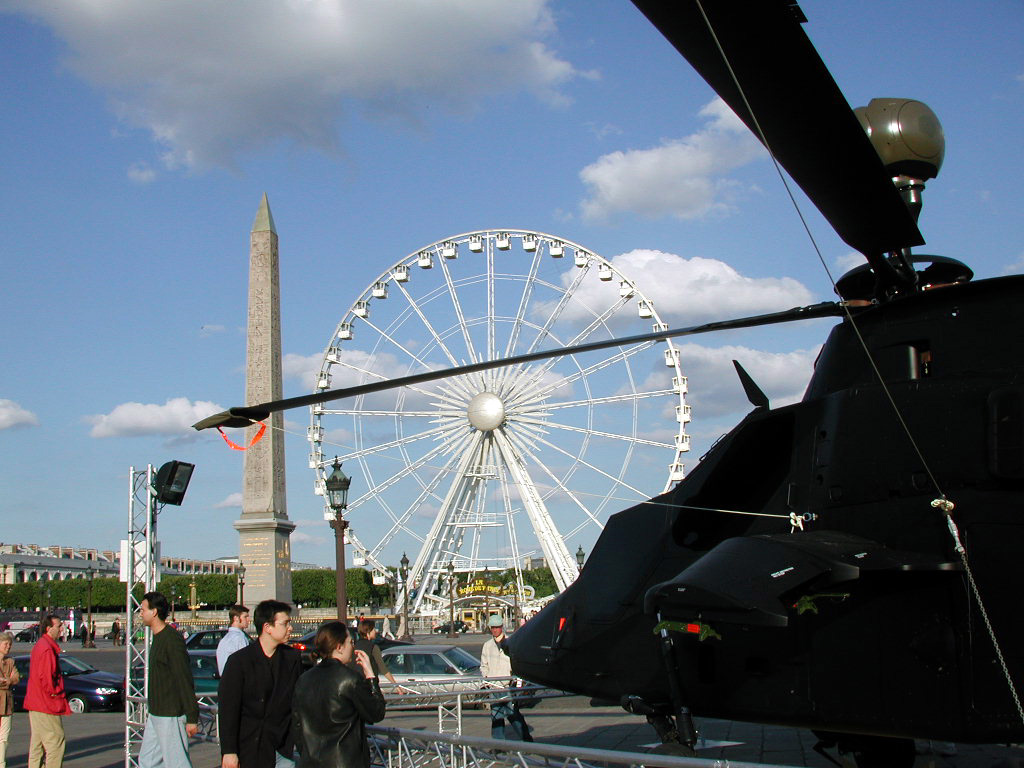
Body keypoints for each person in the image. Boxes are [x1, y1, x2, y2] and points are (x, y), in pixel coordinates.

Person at [218, 600, 302, 768]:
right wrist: (229, 751)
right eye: (285, 623)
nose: (290, 628)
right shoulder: (239, 661)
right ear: (267, 627)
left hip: (282, 747)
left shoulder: (292, 658)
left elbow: (298, 701)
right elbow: (228, 709)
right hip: (250, 746)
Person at [292, 621, 386, 768]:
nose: (353, 646)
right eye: (350, 642)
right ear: (339, 647)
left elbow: (297, 725)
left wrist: (306, 753)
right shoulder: (350, 679)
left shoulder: (304, 679)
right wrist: (371, 676)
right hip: (345, 761)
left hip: (311, 761)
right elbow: (376, 712)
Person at [138, 592, 199, 768]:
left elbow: (183, 677)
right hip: (157, 712)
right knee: (147, 762)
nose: (140, 613)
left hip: (170, 713)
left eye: (143, 610)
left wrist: (192, 716)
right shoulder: (158, 637)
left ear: (154, 612)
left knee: (177, 763)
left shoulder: (171, 640)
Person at [25, 615, 70, 768]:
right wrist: (55, 693)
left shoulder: (41, 645)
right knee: (56, 742)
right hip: (46, 703)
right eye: (59, 626)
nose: (61, 629)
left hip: (36, 702)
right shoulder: (47, 649)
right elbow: (47, 679)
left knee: (37, 744)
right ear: (48, 628)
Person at [480, 614, 531, 742]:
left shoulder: (510, 642)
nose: (495, 630)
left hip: (508, 686)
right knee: (496, 716)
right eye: (492, 627)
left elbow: (516, 663)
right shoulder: (487, 645)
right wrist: (487, 679)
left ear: (501, 627)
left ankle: (526, 739)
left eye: (497, 627)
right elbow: (483, 665)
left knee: (513, 714)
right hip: (494, 686)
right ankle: (499, 745)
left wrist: (515, 680)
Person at [352, 620, 400, 688]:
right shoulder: (373, 647)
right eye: (373, 629)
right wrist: (396, 685)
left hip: (355, 685)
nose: (376, 631)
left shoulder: (354, 646)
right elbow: (383, 669)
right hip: (369, 685)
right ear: (368, 632)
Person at [0, 631, 21, 768]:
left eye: (10, 644)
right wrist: (9, 680)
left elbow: (16, 678)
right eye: (6, 644)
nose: (8, 647)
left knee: (4, 738)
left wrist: (7, 680)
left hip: (6, 703)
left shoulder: (10, 661)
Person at [216, 606, 251, 675]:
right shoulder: (239, 638)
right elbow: (245, 663)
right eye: (245, 617)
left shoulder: (224, 639)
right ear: (236, 618)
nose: (248, 620)